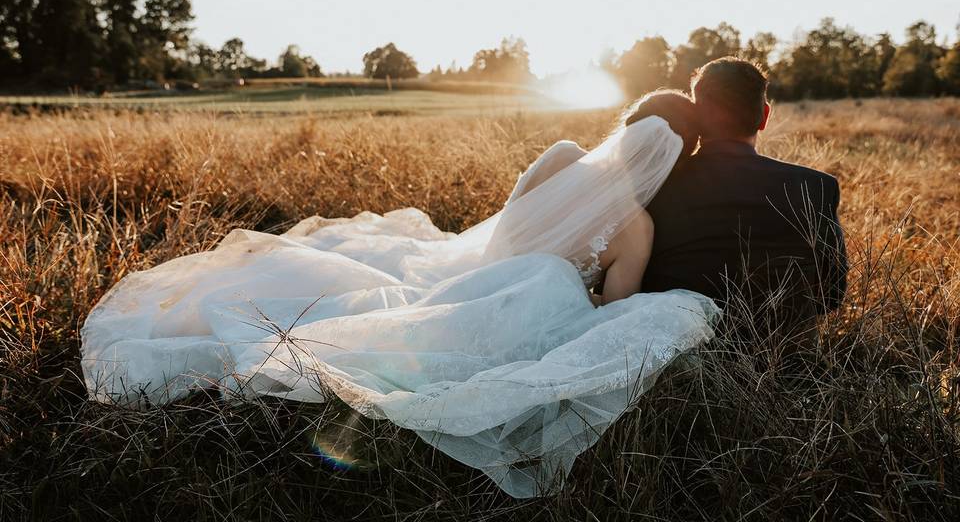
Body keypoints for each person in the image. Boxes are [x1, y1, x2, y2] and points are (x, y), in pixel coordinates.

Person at [80, 89, 716, 498]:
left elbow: (507, 222)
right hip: (512, 296)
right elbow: (615, 302)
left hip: (469, 268)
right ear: (675, 159)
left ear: (625, 126)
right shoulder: (639, 226)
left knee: (361, 305)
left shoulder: (560, 157)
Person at [643, 57, 848, 343]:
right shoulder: (816, 186)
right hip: (788, 365)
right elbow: (832, 294)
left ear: (696, 118)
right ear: (765, 116)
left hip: (673, 358)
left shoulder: (656, 185)